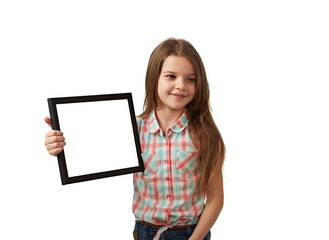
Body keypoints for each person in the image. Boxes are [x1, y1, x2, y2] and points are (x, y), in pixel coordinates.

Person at [44, 38, 225, 240]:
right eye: (171, 76)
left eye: (190, 79)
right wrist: (61, 143)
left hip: (191, 233)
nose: (180, 85)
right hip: (145, 233)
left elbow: (216, 200)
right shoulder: (133, 129)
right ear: (154, 78)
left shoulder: (204, 134)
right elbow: (94, 149)